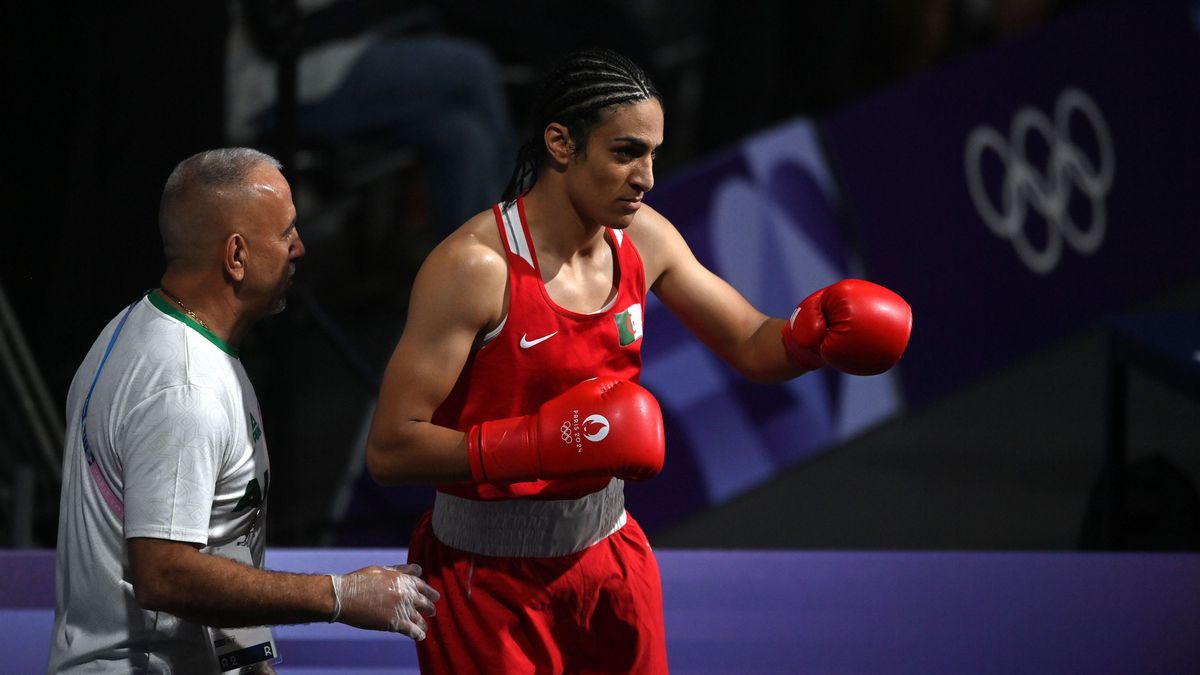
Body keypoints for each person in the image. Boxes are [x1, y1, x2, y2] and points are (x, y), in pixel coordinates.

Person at [365, 48, 912, 674]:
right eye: (626, 152)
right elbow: (391, 449)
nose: (647, 176)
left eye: (652, 153)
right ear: (561, 144)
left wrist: (808, 340)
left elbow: (752, 342)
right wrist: (534, 446)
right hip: (483, 579)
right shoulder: (473, 269)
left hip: (610, 558)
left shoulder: (643, 238)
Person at [47, 147, 440, 673]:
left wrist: (250, 662)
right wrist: (340, 595)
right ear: (236, 255)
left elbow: (220, 535)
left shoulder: (147, 331)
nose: (300, 247)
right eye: (286, 232)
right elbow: (165, 573)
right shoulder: (185, 389)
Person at [225, 0, 516, 236]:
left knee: (461, 132)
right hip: (282, 84)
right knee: (473, 68)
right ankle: (519, 252)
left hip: (351, 61)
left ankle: (472, 280)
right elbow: (274, 31)